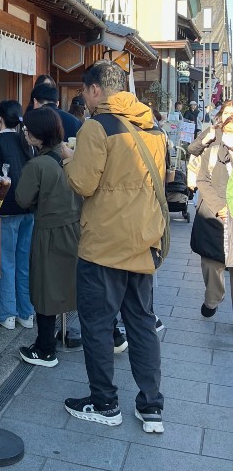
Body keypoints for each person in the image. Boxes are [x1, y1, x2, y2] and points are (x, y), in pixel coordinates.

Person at [62, 60, 167, 434]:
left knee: (97, 324)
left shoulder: (96, 127)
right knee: (140, 323)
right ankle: (151, 405)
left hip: (103, 244)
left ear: (94, 90)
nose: (86, 101)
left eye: (85, 93)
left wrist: (68, 160)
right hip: (142, 241)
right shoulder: (152, 126)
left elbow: (83, 185)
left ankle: (104, 402)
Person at [14, 108, 80, 367]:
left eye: (28, 129)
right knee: (73, 286)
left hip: (48, 232)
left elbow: (22, 199)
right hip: (75, 229)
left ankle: (45, 348)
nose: (25, 133)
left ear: (37, 136)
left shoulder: (38, 165)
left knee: (45, 288)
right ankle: (112, 335)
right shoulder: (70, 158)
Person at [0, 100, 35, 330]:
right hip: (29, 209)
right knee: (24, 263)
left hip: (4, 210)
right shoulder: (27, 142)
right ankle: (26, 313)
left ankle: (6, 314)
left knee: (6, 264)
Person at [187, 100, 233, 317]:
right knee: (212, 261)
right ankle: (213, 297)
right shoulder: (213, 135)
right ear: (220, 115)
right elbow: (201, 175)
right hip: (214, 211)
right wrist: (219, 207)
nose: (230, 117)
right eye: (226, 112)